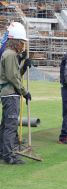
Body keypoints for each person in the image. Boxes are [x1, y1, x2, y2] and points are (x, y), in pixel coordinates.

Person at [0, 22, 32, 165]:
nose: (23, 45)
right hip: (11, 94)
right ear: (16, 42)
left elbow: (14, 74)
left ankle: (3, 152)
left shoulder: (9, 54)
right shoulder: (11, 55)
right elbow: (13, 77)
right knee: (10, 126)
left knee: (6, 124)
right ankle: (8, 155)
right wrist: (25, 92)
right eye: (22, 42)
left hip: (8, 93)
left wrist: (24, 65)